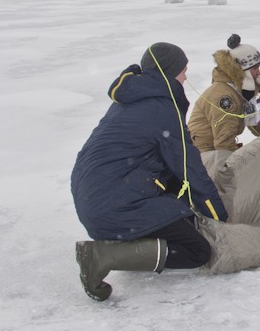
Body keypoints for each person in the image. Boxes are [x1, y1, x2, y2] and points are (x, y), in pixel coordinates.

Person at [71, 42, 228, 301]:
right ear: (169, 72)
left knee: (184, 218)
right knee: (197, 250)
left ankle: (126, 244)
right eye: (183, 71)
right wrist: (218, 216)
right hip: (115, 204)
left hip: (96, 196)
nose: (186, 77)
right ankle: (103, 256)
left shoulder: (133, 99)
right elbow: (191, 170)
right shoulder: (162, 109)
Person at [188, 34, 260, 156]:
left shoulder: (240, 91)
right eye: (255, 68)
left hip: (213, 150)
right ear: (243, 70)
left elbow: (258, 125)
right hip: (204, 154)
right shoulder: (224, 97)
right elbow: (223, 143)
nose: (259, 72)